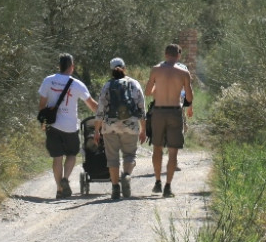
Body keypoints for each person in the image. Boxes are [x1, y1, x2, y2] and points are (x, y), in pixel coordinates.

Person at [38, 53, 97, 199]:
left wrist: (43, 123)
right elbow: (92, 105)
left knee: (57, 158)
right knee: (72, 154)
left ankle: (59, 190)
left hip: (53, 126)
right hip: (71, 126)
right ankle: (65, 179)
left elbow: (42, 105)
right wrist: (105, 113)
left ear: (59, 66)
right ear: (72, 67)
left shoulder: (48, 81)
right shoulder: (77, 84)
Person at [93, 58, 147, 200]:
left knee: (112, 158)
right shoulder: (134, 84)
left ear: (112, 70)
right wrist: (143, 129)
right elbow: (142, 108)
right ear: (124, 67)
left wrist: (97, 130)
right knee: (130, 155)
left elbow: (100, 110)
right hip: (131, 125)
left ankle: (115, 188)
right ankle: (127, 176)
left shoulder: (107, 86)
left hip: (110, 126)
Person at [144, 43, 193, 198]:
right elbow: (189, 98)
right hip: (175, 112)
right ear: (178, 56)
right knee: (173, 151)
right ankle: (168, 186)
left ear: (165, 54)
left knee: (157, 147)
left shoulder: (156, 70)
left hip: (158, 112)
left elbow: (147, 92)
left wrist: (158, 89)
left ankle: (157, 181)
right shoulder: (184, 72)